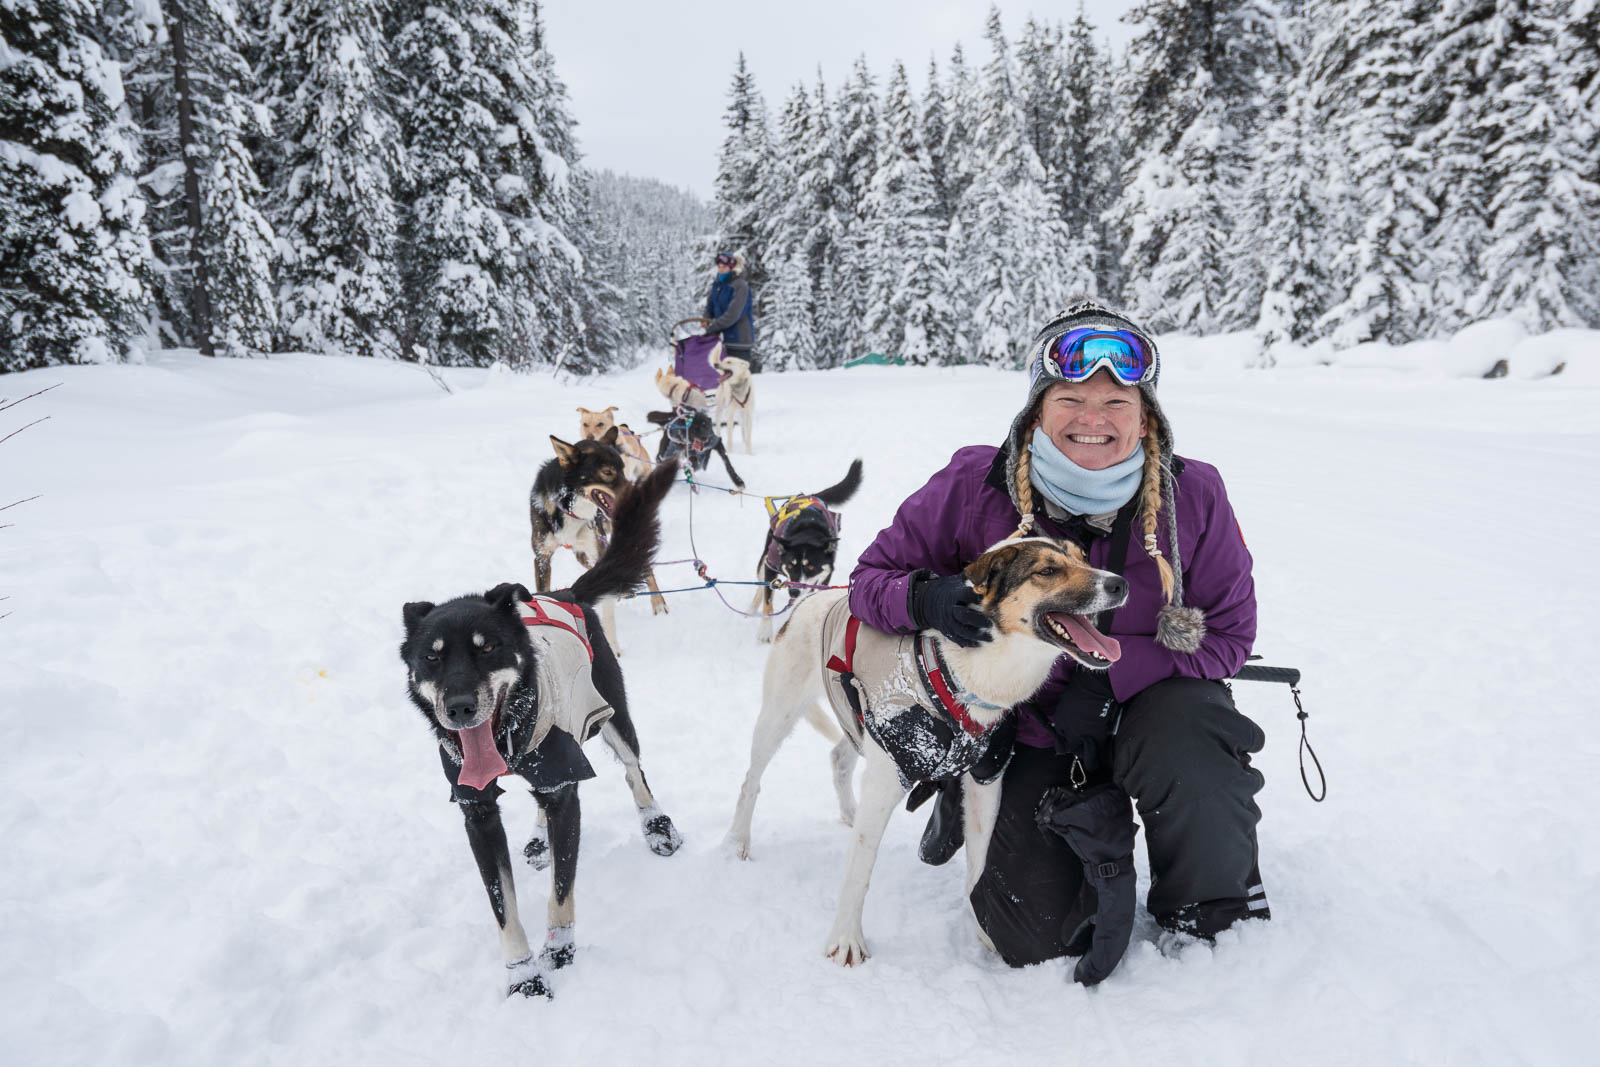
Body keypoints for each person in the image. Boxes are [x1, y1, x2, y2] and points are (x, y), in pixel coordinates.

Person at [848, 298, 1267, 975]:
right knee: (1033, 935)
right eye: (1071, 396)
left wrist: (1114, 680)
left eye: (1117, 401)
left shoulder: (1196, 496)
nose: (1093, 418)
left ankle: (1205, 906)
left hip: (1152, 711)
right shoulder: (972, 484)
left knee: (1194, 740)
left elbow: (1230, 633)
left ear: (1146, 414)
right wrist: (921, 596)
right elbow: (870, 579)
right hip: (1028, 731)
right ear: (1036, 410)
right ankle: (968, 795)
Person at [703, 250, 758, 371]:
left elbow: (733, 314)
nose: (721, 270)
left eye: (725, 267)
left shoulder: (740, 286)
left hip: (738, 341)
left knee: (737, 381)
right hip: (722, 341)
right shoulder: (718, 285)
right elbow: (711, 304)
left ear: (732, 268)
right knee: (723, 382)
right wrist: (706, 318)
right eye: (719, 267)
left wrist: (713, 327)